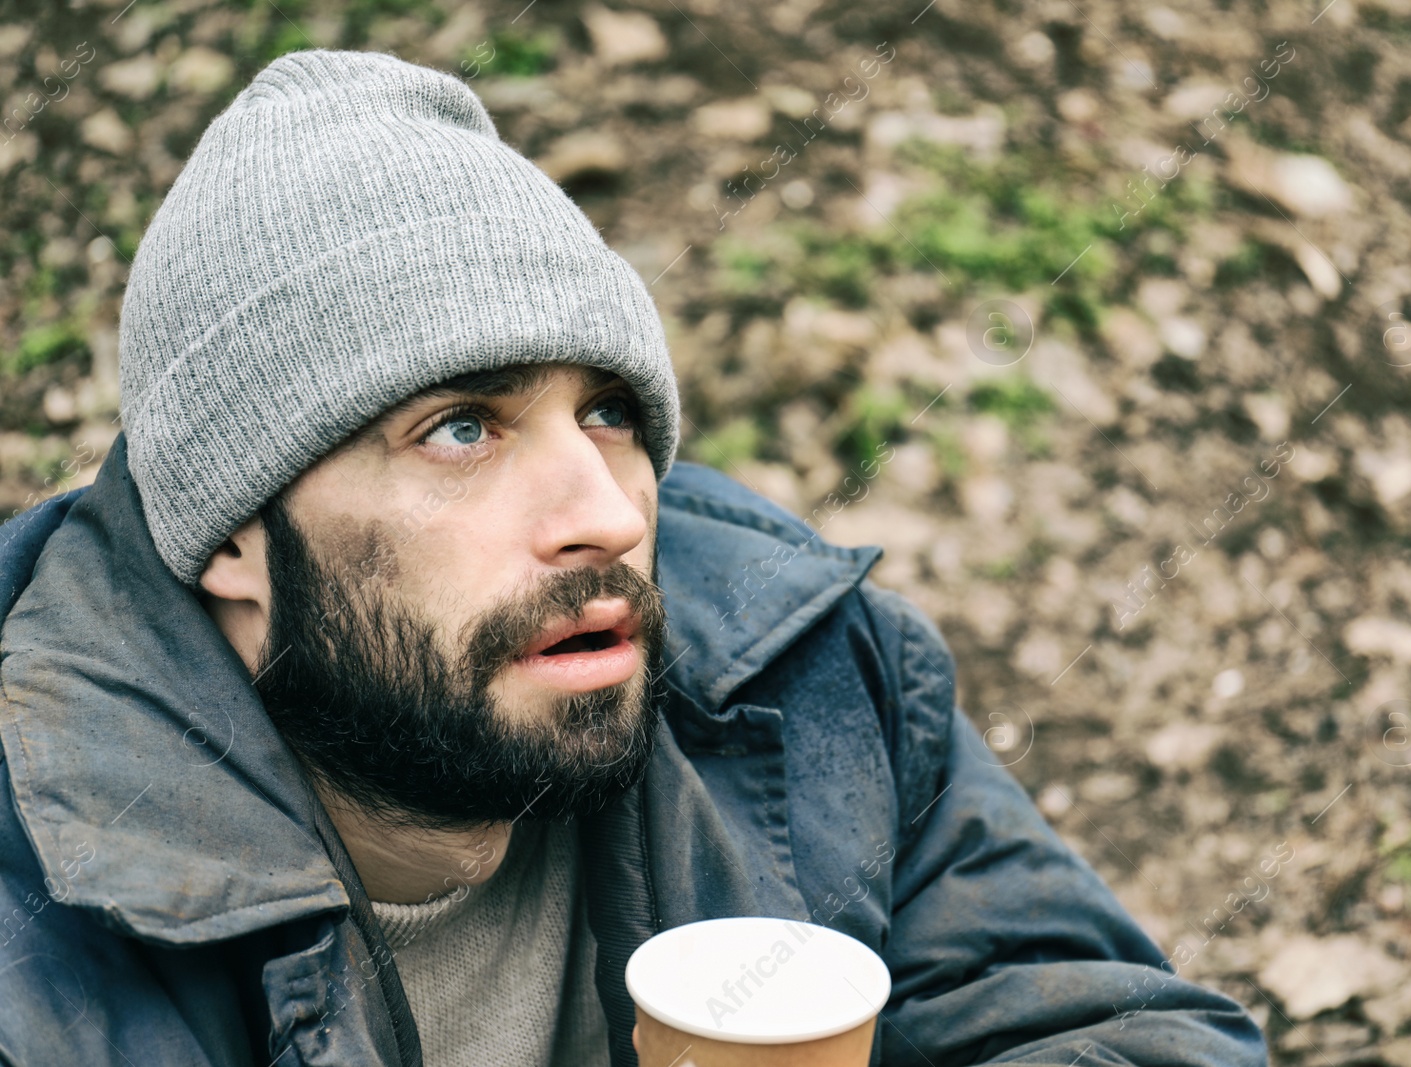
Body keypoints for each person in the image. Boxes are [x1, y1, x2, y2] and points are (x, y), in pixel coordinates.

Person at [0, 50, 1266, 1067]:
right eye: (460, 428)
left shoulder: (801, 664)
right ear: (231, 534)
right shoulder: (40, 889)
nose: (603, 510)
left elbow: (1132, 1030)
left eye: (607, 410)